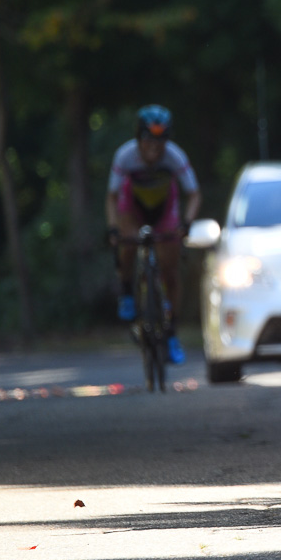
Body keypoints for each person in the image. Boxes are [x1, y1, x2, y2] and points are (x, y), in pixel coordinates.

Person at [106, 105, 200, 365]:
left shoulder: (175, 157)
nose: (154, 148)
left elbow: (193, 194)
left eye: (161, 141)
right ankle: (127, 292)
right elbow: (112, 198)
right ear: (139, 138)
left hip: (163, 208)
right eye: (149, 140)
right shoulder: (125, 156)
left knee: (171, 271)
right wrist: (113, 228)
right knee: (127, 242)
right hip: (132, 207)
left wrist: (187, 223)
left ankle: (171, 333)